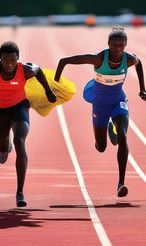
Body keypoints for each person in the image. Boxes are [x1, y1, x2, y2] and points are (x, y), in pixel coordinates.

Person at [55, 26, 146, 197]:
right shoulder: (98, 59)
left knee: (123, 136)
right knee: (101, 147)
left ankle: (121, 183)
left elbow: (139, 62)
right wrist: (56, 83)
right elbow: (63, 61)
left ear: (125, 45)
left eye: (121, 45)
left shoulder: (129, 60)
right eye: (114, 45)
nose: (117, 49)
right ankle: (110, 127)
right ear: (108, 44)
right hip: (99, 104)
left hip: (118, 101)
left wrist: (143, 89)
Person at [0, 41, 57, 207]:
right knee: (2, 147)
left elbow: (38, 71)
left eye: (13, 61)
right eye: (5, 60)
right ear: (0, 59)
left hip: (19, 107)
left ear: (18, 59)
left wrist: (48, 91)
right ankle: (5, 147)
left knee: (20, 141)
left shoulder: (25, 69)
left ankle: (20, 192)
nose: (9, 65)